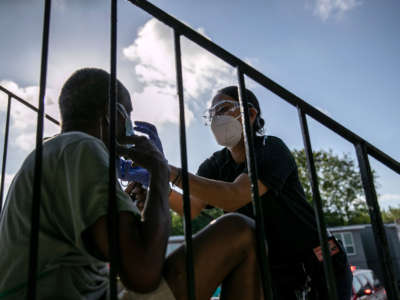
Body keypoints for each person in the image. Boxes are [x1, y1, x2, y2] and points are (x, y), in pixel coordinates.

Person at [0, 69, 264, 300]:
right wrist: (159, 172)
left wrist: (151, 195)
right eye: (129, 115)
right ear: (113, 113)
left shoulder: (53, 150)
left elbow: (232, 197)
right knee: (239, 230)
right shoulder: (83, 147)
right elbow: (142, 272)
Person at [164, 86, 353, 299]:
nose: (217, 118)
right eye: (212, 114)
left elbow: (235, 195)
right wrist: (157, 185)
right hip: (275, 268)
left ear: (250, 114)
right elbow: (191, 207)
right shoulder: (216, 164)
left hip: (318, 259)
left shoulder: (270, 148)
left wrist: (170, 172)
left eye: (223, 109)